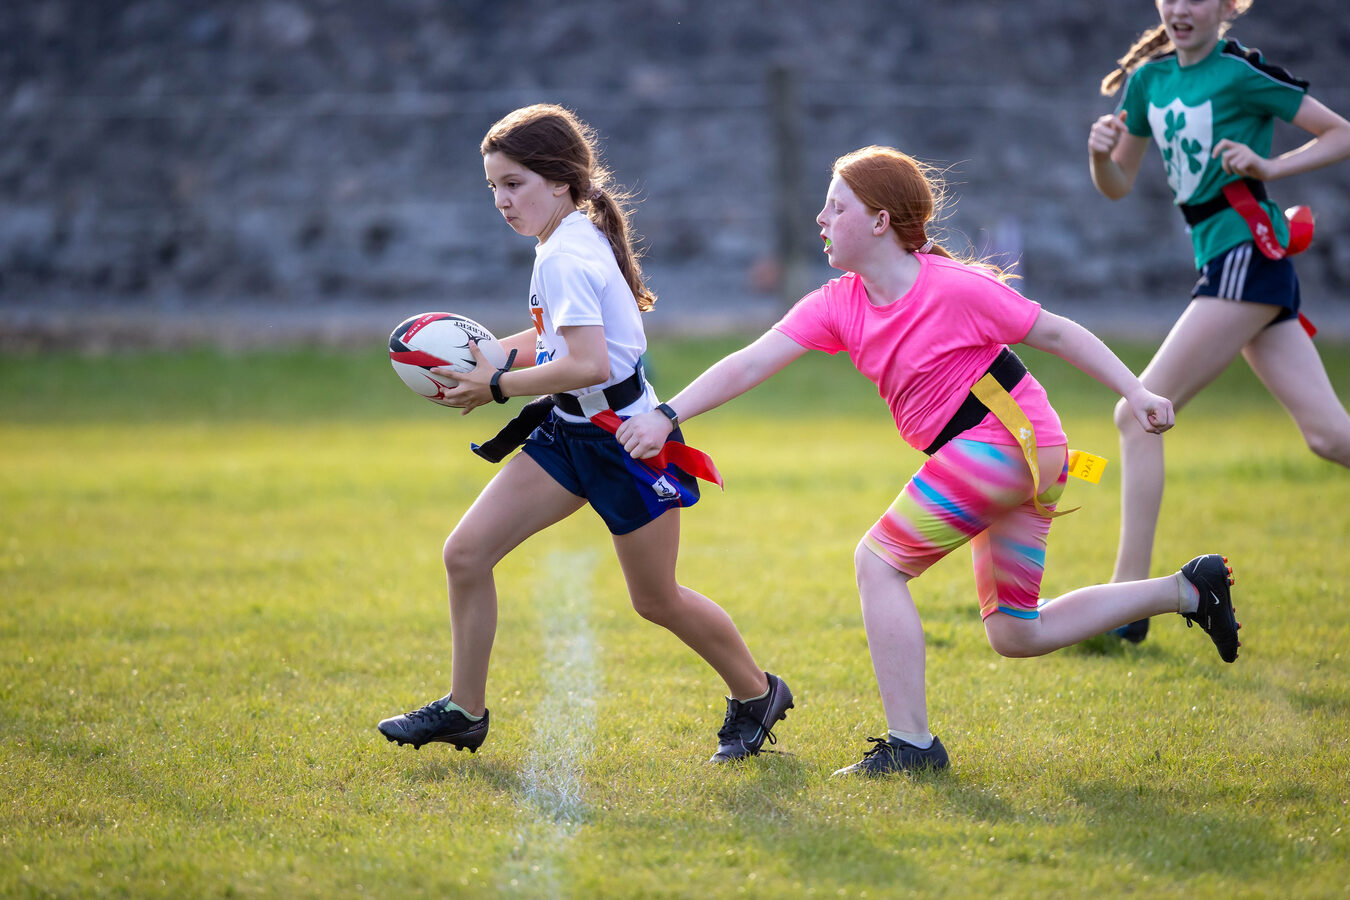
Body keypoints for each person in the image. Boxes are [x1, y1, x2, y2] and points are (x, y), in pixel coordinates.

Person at [615, 145, 1240, 777]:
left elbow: (1056, 332)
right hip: (1019, 451)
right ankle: (1188, 589)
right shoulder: (837, 303)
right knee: (1015, 632)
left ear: (880, 221)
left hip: (1006, 441)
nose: (821, 219)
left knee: (877, 564)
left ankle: (911, 746)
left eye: (836, 207)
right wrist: (668, 414)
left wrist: (1138, 392)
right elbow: (750, 362)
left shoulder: (954, 287)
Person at [376, 104, 792, 763]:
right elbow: (557, 339)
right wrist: (486, 357)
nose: (501, 200)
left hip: (625, 442)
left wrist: (496, 385)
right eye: (493, 186)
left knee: (656, 599)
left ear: (560, 181)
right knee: (466, 554)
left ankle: (758, 693)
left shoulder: (566, 254)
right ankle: (464, 710)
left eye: (514, 184)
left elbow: (590, 364)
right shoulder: (565, 239)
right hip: (568, 433)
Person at [1089, 0, 1350, 643]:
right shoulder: (1148, 82)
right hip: (1230, 261)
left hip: (1245, 256)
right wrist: (1099, 156)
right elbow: (1118, 183)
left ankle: (1126, 606)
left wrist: (1271, 167)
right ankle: (1129, 606)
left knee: (1136, 414)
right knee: (1329, 437)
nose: (1180, 8)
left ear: (1229, 6)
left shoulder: (1239, 74)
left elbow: (1340, 133)